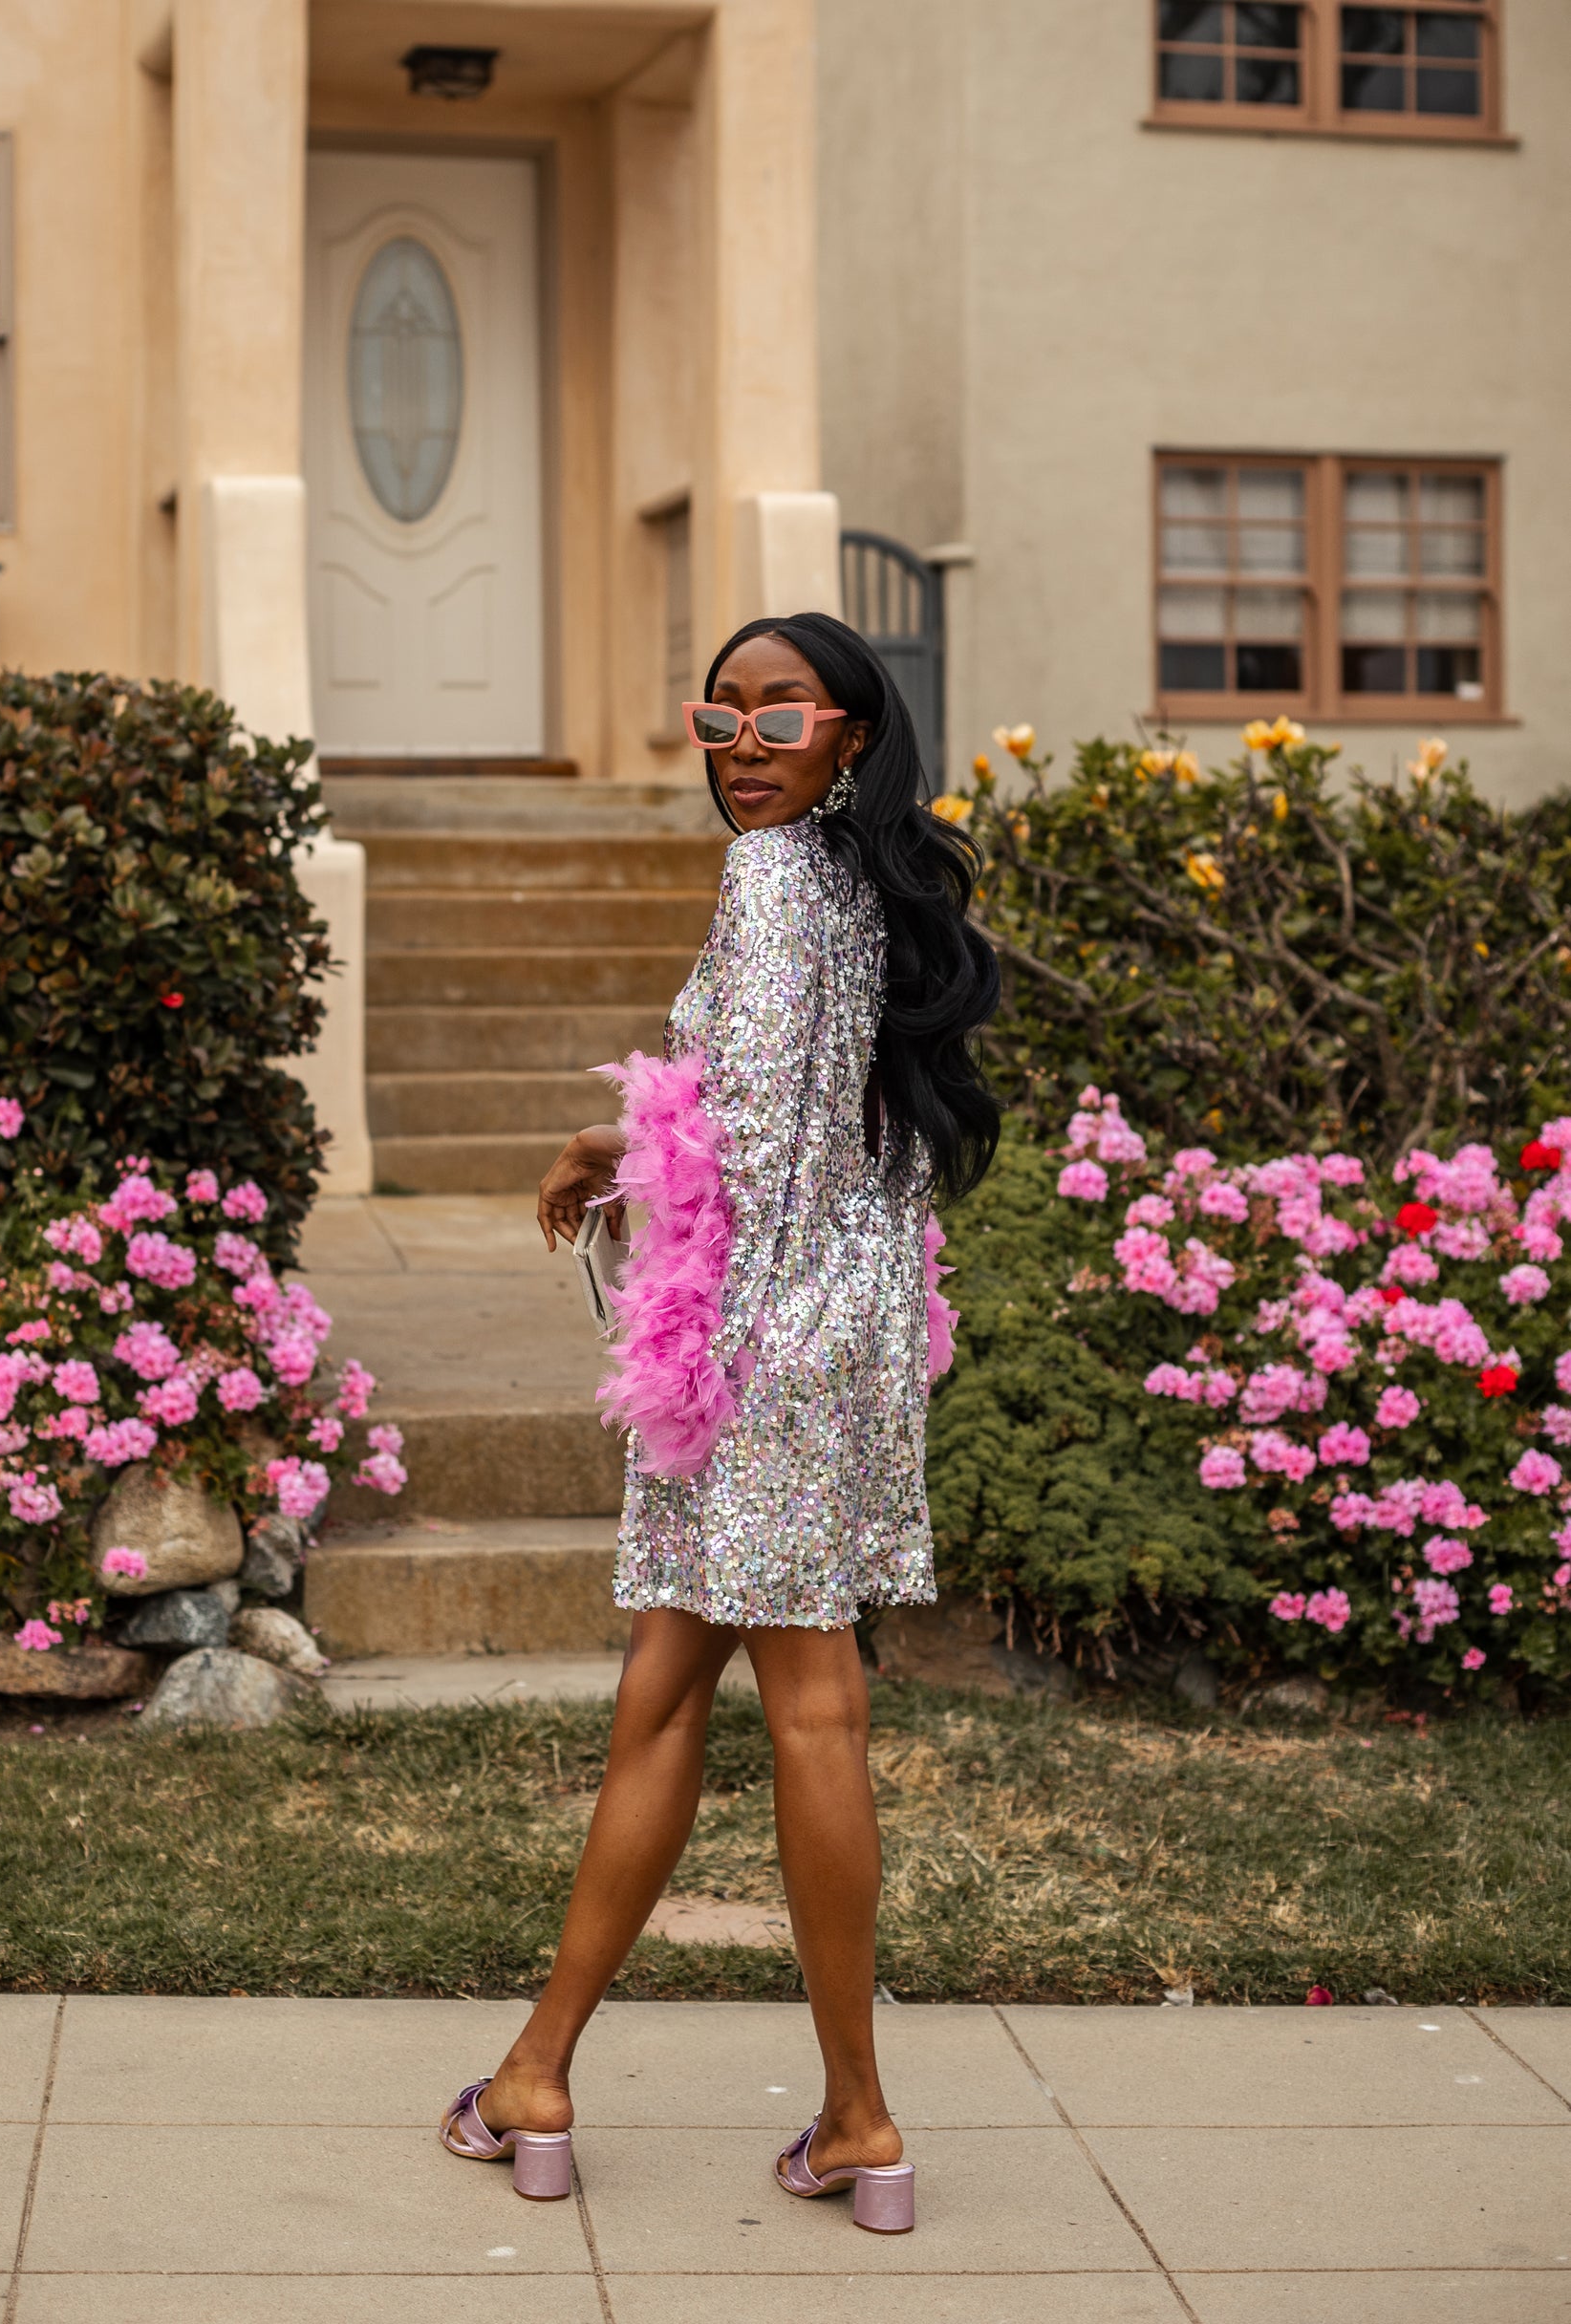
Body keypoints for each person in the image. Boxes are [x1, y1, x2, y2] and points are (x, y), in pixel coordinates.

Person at [441, 610, 1000, 2233]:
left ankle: (861, 2115)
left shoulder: (770, 881)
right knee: (668, 1692)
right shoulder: (864, 888)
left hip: (751, 1344)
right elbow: (830, 1131)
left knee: (801, 1708)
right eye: (719, 714)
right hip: (842, 1337)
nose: (743, 740)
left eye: (781, 713)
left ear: (850, 730)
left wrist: (613, 1173)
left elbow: (744, 1135)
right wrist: (603, 1138)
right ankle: (548, 2072)